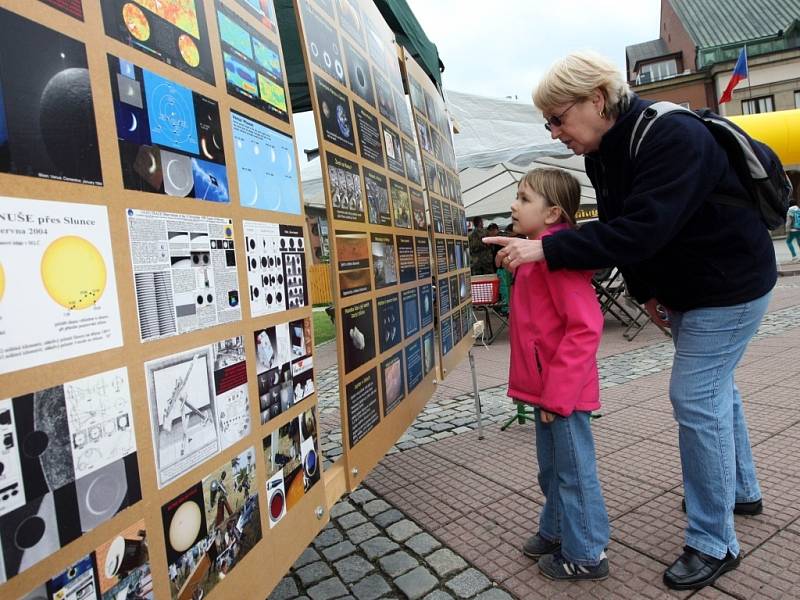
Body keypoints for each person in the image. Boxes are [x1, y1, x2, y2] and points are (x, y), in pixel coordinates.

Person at [485, 51, 775, 591]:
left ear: (597, 99)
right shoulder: (603, 154)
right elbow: (623, 226)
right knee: (715, 389)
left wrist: (545, 252)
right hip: (689, 287)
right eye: (547, 122)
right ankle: (741, 490)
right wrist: (645, 290)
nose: (554, 133)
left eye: (558, 118)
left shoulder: (673, 137)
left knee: (696, 396)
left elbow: (643, 229)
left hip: (730, 285)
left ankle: (716, 541)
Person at [507, 167, 609, 581]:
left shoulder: (556, 258)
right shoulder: (538, 253)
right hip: (547, 391)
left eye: (524, 198)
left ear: (552, 214)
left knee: (573, 472)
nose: (514, 205)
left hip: (561, 394)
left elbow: (585, 326)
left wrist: (557, 394)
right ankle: (555, 530)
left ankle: (587, 553)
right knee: (552, 469)